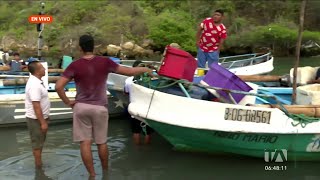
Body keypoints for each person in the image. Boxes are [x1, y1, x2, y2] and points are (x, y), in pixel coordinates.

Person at [55, 34, 153, 177]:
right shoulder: (105, 62)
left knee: (85, 143)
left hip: (81, 107)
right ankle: (105, 172)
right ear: (93, 46)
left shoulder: (74, 65)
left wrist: (67, 102)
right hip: (100, 108)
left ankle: (92, 175)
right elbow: (129, 71)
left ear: (80, 48)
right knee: (102, 142)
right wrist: (146, 70)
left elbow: (58, 86)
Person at [25, 61, 50, 168]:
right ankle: (39, 168)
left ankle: (39, 165)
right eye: (42, 68)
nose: (44, 69)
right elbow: (36, 105)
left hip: (40, 118)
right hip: (36, 120)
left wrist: (46, 116)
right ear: (37, 71)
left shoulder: (38, 82)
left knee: (40, 143)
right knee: (37, 145)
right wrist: (43, 122)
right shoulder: (34, 85)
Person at [124, 60, 153, 145]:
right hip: (147, 110)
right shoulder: (149, 80)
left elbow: (125, 92)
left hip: (134, 110)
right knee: (147, 132)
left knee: (136, 132)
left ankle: (137, 148)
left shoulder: (128, 80)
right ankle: (147, 149)